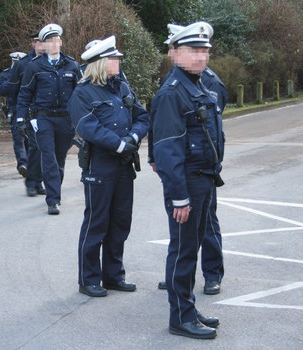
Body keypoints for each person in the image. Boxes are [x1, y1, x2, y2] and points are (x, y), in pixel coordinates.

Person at [150, 21, 224, 339]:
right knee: (182, 251)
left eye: (204, 51)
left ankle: (188, 307)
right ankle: (180, 316)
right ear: (175, 53)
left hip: (203, 178)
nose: (200, 57)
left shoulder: (195, 84)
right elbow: (167, 150)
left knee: (191, 248)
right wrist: (179, 195)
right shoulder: (173, 93)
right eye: (193, 51)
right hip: (188, 183)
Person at [68, 36, 149, 297]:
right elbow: (87, 127)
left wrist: (132, 139)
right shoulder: (83, 92)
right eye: (114, 58)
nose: (118, 61)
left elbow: (142, 117)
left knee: (120, 222)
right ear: (101, 63)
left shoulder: (122, 87)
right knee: (97, 222)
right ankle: (88, 279)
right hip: (100, 166)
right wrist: (119, 145)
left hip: (124, 165)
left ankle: (113, 276)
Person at [17, 23, 82, 214]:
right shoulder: (34, 67)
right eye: (50, 41)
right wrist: (21, 119)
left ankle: (55, 188)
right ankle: (53, 200)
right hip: (43, 118)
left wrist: (84, 118)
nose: (54, 44)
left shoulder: (72, 65)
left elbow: (81, 94)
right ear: (43, 45)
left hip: (65, 120)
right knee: (48, 157)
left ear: (61, 42)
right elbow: (24, 95)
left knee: (59, 159)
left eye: (56, 40)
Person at [8, 33, 46, 197]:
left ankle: (38, 182)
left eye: (44, 42)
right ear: (32, 43)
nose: (41, 45)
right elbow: (13, 91)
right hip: (28, 112)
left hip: (45, 112)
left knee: (44, 149)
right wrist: (17, 114)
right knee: (34, 148)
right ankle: (32, 183)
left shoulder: (50, 63)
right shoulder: (22, 65)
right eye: (38, 42)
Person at [0, 52, 28, 177]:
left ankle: (31, 164)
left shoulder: (29, 72)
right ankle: (22, 164)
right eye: (15, 62)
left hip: (29, 109)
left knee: (29, 138)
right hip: (14, 110)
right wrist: (13, 81)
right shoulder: (6, 74)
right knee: (18, 138)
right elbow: (1, 90)